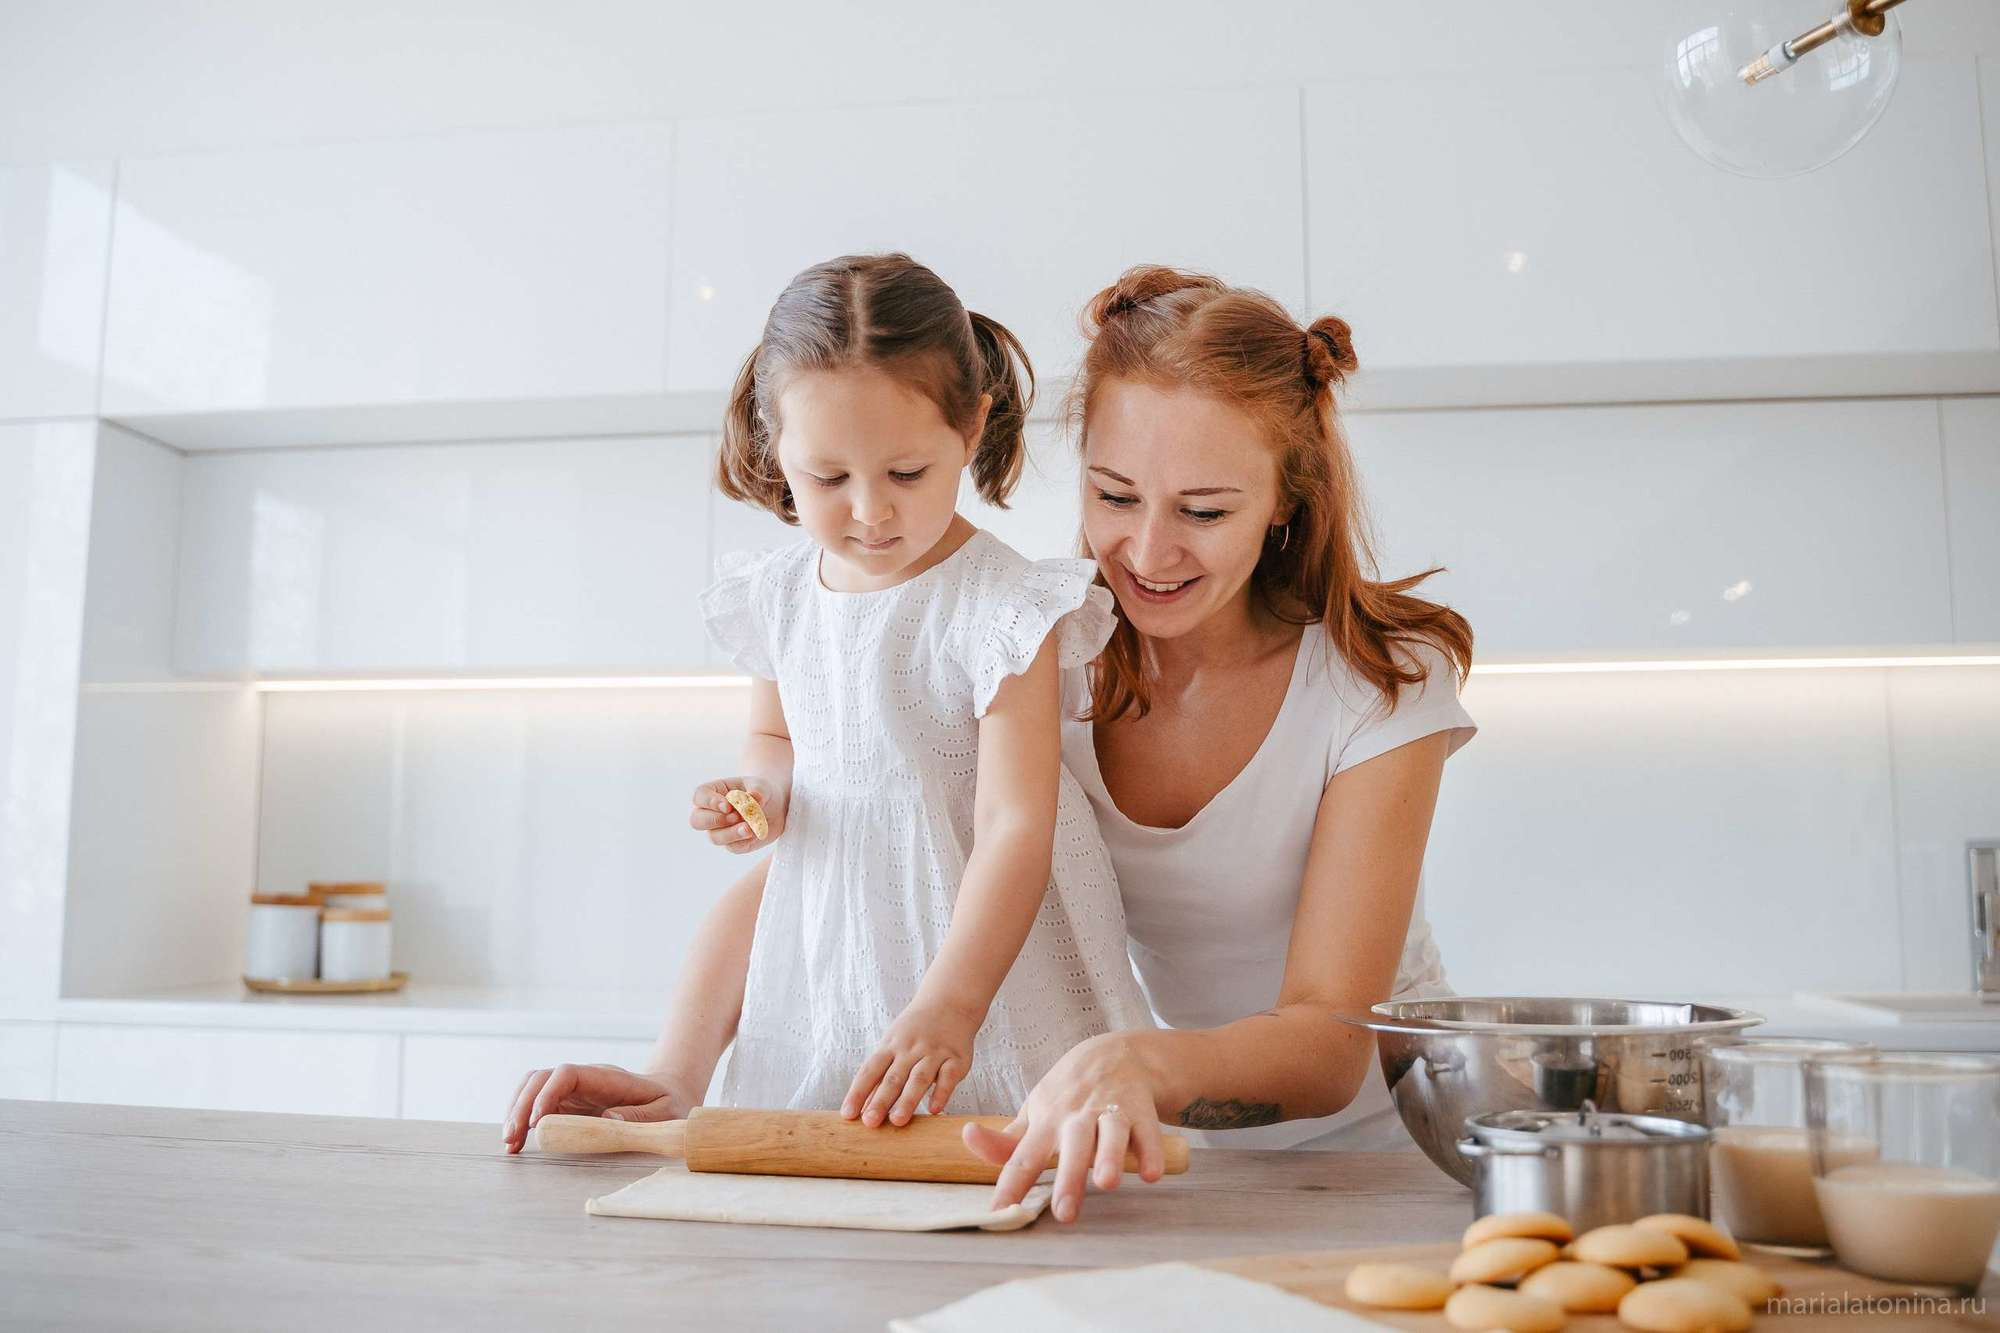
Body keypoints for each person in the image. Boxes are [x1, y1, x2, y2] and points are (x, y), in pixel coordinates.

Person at [504, 264, 1474, 1230]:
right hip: (1139, 1144)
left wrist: (1125, 1065)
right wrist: (674, 1073)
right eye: (1112, 494)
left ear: (1285, 501)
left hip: (1386, 1158)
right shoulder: (1040, 653)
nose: (1144, 550)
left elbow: (1324, 1046)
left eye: (1204, 510)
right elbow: (836, 864)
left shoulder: (1373, 681)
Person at [501, 253, 1150, 1147]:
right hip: (836, 971)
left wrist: (951, 1008)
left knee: (1013, 1184)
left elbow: (1013, 829)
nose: (869, 512)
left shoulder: (1004, 608)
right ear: (775, 448)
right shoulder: (776, 599)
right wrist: (762, 791)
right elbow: (776, 741)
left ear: (972, 425)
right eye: (829, 478)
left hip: (987, 982)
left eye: (908, 473)